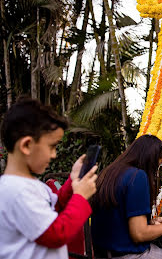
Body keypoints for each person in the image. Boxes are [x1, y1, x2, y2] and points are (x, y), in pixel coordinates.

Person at [0, 97, 97, 259]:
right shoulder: (17, 191)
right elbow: (56, 234)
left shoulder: (29, 185)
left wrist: (72, 184)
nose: (54, 154)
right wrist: (80, 197)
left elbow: (54, 208)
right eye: (52, 146)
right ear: (26, 145)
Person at [91, 135, 162, 259]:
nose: (155, 171)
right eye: (157, 165)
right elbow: (139, 234)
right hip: (128, 255)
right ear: (151, 159)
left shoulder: (109, 173)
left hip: (102, 252)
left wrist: (149, 223)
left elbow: (116, 219)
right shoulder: (137, 176)